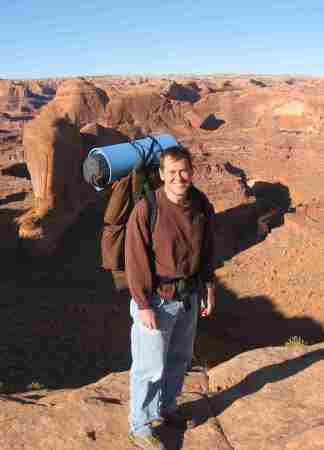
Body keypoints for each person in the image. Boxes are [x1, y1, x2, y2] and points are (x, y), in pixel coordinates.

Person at [125, 146, 216, 450]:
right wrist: (143, 305)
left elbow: (207, 250)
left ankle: (167, 408)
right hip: (157, 299)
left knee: (179, 359)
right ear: (162, 175)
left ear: (192, 171)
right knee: (150, 367)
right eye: (172, 172)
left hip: (188, 296)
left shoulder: (200, 204)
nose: (179, 178)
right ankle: (140, 426)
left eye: (184, 171)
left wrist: (208, 285)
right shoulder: (147, 209)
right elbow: (135, 259)